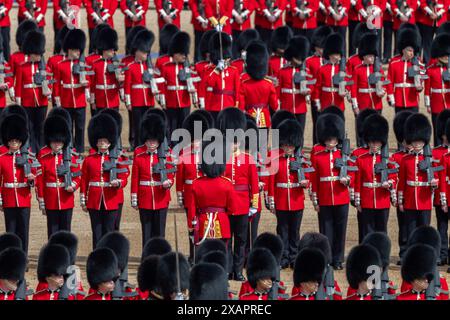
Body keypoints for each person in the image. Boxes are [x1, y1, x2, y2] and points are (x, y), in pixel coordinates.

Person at [268, 119, 310, 269]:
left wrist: (306, 183)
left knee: (295, 231)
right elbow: (270, 181)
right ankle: (283, 257)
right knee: (282, 230)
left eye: (291, 145)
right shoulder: (275, 159)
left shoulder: (301, 159)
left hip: (296, 199)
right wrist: (271, 201)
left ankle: (294, 256)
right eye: (285, 145)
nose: (288, 148)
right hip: (281, 200)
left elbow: (308, 176)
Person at [81, 113, 127, 249]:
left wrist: (118, 183)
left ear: (110, 142)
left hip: (111, 198)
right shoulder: (89, 160)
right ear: (95, 142)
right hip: (94, 199)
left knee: (109, 231)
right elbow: (84, 180)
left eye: (105, 141)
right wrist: (83, 199)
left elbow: (124, 175)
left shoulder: (117, 158)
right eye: (100, 141)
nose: (102, 144)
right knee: (96, 232)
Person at [311, 113, 350, 270]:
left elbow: (353, 173)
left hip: (341, 197)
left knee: (340, 231)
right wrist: (316, 200)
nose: (330, 143)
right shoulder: (318, 155)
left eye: (333, 140)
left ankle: (338, 259)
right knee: (326, 230)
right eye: (328, 140)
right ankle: (327, 258)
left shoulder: (344, 155)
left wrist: (348, 180)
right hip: (325, 198)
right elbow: (314, 179)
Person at [131, 113, 174, 247]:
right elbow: (135, 177)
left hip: (161, 196)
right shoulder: (139, 153)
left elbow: (171, 172)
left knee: (160, 232)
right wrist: (134, 197)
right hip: (144, 198)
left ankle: (160, 256)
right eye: (149, 140)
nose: (151, 143)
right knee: (146, 232)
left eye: (154, 140)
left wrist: (168, 182)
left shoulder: (167, 153)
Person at [37, 114, 81, 238]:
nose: (57, 144)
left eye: (59, 141)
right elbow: (39, 181)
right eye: (54, 141)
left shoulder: (71, 156)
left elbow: (78, 176)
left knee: (66, 231)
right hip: (50, 199)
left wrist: (72, 186)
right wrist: (41, 200)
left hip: (66, 198)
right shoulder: (43, 156)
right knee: (52, 232)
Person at [397, 113, 436, 251]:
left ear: (424, 142)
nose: (417, 144)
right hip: (409, 201)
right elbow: (401, 182)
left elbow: (436, 177)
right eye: (415, 141)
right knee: (410, 232)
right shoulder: (405, 160)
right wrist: (400, 201)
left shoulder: (430, 159)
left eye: (420, 142)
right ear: (411, 141)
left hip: (424, 199)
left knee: (424, 231)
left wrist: (434, 183)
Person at [176, 111, 210, 264]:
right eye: (194, 140)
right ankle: (192, 255)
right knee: (191, 224)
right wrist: (180, 195)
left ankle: (202, 254)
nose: (196, 143)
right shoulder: (184, 153)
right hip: (189, 193)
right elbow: (180, 178)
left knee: (203, 224)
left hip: (204, 193)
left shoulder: (208, 153)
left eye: (198, 140)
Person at [0, 114, 36, 254]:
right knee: (11, 231)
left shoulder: (27, 157)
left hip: (23, 198)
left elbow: (35, 175)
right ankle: (11, 257)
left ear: (21, 142)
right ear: (8, 142)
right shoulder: (2, 159)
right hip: (9, 199)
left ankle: (23, 257)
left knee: (23, 231)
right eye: (12, 141)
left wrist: (32, 179)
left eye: (17, 141)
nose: (14, 143)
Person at [354, 114, 395, 238]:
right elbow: (357, 181)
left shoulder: (388, 159)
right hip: (366, 200)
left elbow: (394, 176)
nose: (375, 144)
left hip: (382, 200)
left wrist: (390, 183)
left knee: (381, 232)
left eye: (377, 142)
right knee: (367, 232)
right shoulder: (361, 159)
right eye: (372, 142)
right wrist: (358, 200)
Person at [123, 29, 161, 150]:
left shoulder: (148, 67)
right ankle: (137, 145)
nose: (146, 55)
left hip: (148, 99)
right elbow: (127, 86)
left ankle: (146, 144)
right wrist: (128, 102)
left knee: (148, 124)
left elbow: (156, 81)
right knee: (137, 125)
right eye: (144, 53)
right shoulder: (130, 67)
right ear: (137, 52)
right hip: (136, 100)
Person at [53, 28, 89, 153]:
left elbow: (90, 78)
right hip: (66, 100)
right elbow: (57, 83)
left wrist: (86, 84)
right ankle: (68, 148)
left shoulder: (83, 64)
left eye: (79, 50)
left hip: (79, 100)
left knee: (79, 127)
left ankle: (79, 149)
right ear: (69, 50)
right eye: (75, 50)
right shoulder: (61, 65)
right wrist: (57, 99)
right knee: (68, 126)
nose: (78, 52)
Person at [15, 30, 49, 153]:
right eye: (37, 54)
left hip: (41, 101)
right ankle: (30, 149)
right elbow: (18, 84)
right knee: (29, 127)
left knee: (40, 127)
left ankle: (40, 149)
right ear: (31, 53)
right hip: (27, 101)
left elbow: (50, 82)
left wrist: (48, 91)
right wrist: (18, 99)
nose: (40, 56)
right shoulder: (22, 66)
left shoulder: (44, 67)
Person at [160, 31, 198, 141]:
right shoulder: (166, 67)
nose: (184, 56)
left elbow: (194, 82)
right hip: (171, 100)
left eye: (184, 54)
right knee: (171, 125)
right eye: (181, 54)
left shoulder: (188, 68)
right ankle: (172, 146)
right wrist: (162, 101)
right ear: (175, 54)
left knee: (184, 124)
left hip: (184, 100)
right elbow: (162, 85)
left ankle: (184, 146)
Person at [201, 32, 240, 123]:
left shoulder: (234, 70)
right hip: (214, 105)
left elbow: (237, 90)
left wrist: (236, 104)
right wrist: (217, 70)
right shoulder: (209, 70)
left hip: (229, 105)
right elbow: (209, 83)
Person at [239, 40, 278, 129]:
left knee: (250, 142)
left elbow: (241, 106)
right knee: (263, 142)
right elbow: (274, 105)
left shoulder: (244, 84)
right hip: (265, 119)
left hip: (249, 118)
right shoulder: (269, 84)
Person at [278, 35, 312, 133]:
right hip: (286, 106)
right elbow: (278, 90)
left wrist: (308, 92)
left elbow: (311, 85)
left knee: (299, 133)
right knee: (285, 132)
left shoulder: (305, 71)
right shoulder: (282, 71)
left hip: (300, 106)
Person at [305, 25, 332, 144]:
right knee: (317, 122)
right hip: (316, 96)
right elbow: (308, 79)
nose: (321, 50)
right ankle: (317, 144)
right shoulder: (310, 61)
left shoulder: (332, 61)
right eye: (319, 47)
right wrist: (309, 94)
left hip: (328, 95)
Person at [386, 27, 423, 114]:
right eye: (409, 50)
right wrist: (391, 97)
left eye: (413, 51)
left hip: (412, 99)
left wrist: (420, 86)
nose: (412, 53)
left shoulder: (417, 62)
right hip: (399, 100)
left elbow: (421, 78)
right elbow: (389, 81)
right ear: (403, 50)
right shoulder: (394, 63)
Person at [350, 33, 386, 117]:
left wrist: (382, 91)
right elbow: (353, 89)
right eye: (370, 56)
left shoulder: (379, 69)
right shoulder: (357, 70)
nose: (372, 58)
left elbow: (384, 83)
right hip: (363, 104)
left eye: (373, 56)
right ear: (364, 56)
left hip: (376, 104)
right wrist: (355, 105)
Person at [313, 33, 349, 114]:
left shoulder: (343, 69)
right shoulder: (322, 69)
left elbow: (348, 83)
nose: (339, 56)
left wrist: (346, 91)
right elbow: (317, 87)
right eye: (337, 54)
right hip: (326, 103)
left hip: (339, 103)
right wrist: (318, 103)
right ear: (330, 55)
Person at [89, 27, 122, 114]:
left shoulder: (116, 64)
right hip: (100, 101)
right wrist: (92, 101)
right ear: (104, 49)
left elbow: (120, 83)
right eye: (111, 49)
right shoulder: (95, 64)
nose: (113, 51)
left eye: (113, 49)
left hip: (113, 101)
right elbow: (92, 84)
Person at [425, 34, 450, 147]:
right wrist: (428, 104)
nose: (446, 57)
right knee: (437, 128)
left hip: (448, 102)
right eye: (444, 55)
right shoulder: (430, 70)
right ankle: (437, 148)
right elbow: (427, 89)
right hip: (436, 103)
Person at [416, 0, 446, 64]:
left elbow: (447, 4)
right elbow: (422, 3)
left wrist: (438, 14)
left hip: (440, 21)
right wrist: (430, 13)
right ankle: (427, 62)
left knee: (440, 44)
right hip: (428, 21)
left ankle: (441, 62)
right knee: (427, 44)